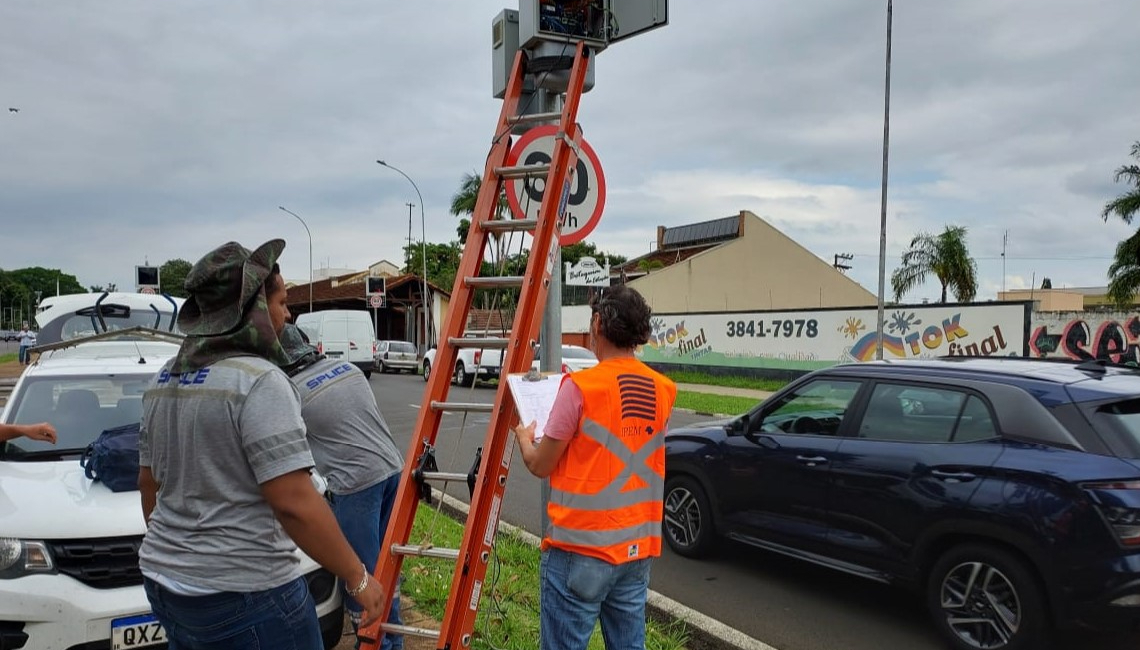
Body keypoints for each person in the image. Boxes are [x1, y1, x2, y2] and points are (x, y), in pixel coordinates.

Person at [137, 239, 384, 649]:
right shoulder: (257, 381)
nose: (288, 315)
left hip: (166, 585)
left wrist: (185, 553)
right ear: (252, 308)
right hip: (245, 595)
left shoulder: (163, 379)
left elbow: (149, 484)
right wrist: (357, 578)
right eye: (282, 302)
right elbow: (293, 501)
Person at [512, 285, 677, 650]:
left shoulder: (581, 388)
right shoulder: (663, 389)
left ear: (598, 324)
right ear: (640, 334)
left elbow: (541, 464)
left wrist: (525, 438)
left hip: (579, 552)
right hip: (636, 550)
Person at [277, 323, 405, 650]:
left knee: (361, 577)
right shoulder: (346, 367)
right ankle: (394, 639)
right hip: (392, 471)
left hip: (355, 485)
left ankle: (379, 643)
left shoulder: (289, 390)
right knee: (387, 567)